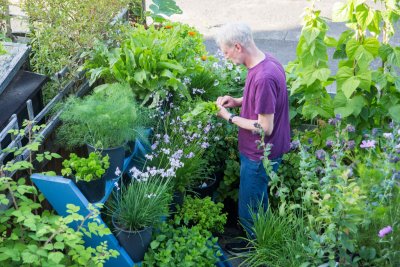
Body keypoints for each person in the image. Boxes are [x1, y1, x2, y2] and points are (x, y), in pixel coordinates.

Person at [215, 22, 291, 254]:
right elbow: (264, 100)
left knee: (249, 207)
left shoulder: (264, 77)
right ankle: (261, 239)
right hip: (261, 151)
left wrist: (229, 117)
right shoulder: (265, 62)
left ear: (237, 47)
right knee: (258, 200)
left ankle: (256, 249)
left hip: (260, 154)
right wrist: (239, 101)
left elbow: (264, 127)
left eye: (226, 52)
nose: (226, 57)